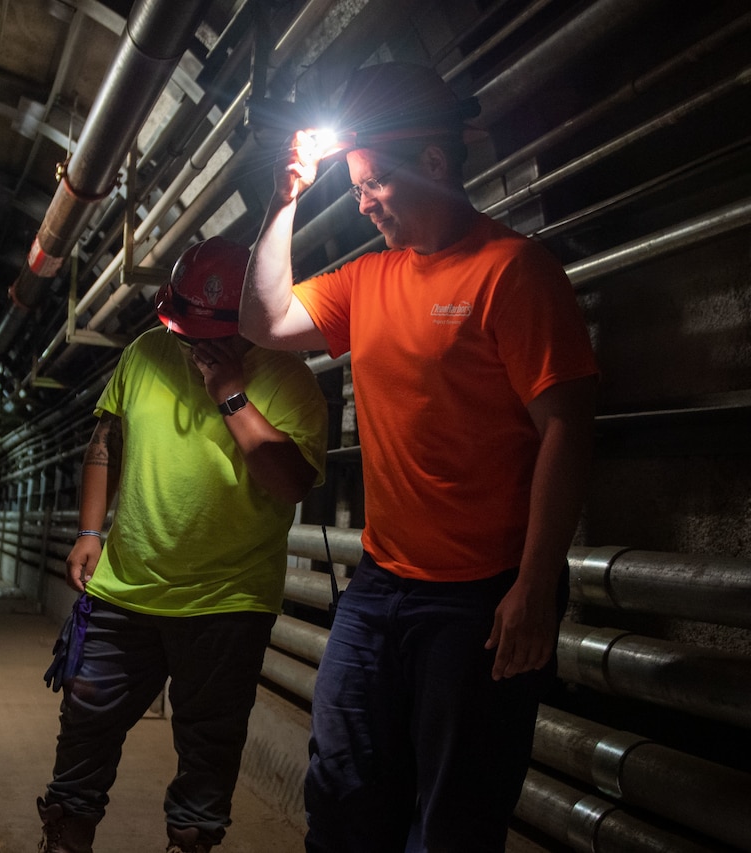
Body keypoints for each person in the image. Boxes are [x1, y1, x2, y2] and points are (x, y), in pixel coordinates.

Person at [239, 62, 598, 852]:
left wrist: (536, 587)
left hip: (478, 601)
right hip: (381, 587)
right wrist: (285, 199)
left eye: (373, 184)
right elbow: (264, 318)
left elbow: (567, 427)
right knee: (340, 792)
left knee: (452, 820)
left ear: (434, 164)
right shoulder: (369, 278)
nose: (363, 202)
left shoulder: (513, 271)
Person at [36, 236, 331, 853]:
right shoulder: (147, 351)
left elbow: (290, 483)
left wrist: (230, 393)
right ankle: (65, 838)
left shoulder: (290, 381)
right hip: (128, 585)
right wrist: (91, 532)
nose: (191, 342)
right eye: (184, 327)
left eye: (206, 332)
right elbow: (106, 441)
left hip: (227, 598)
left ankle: (190, 843)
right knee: (85, 717)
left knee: (208, 743)